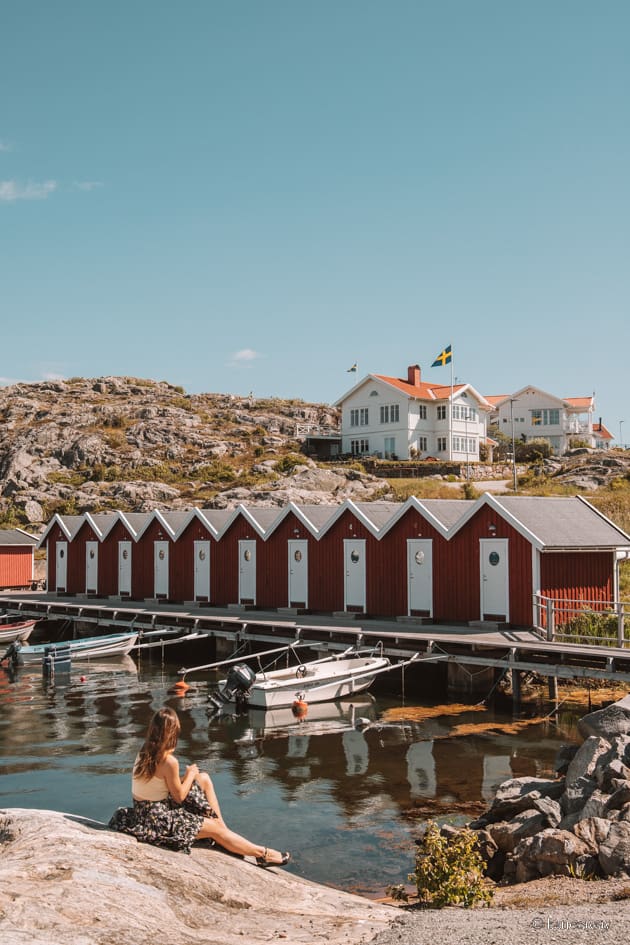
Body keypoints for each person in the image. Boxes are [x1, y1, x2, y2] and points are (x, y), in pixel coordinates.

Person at [109, 706, 290, 866]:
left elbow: (161, 783)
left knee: (203, 778)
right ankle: (262, 854)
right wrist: (189, 775)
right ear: (171, 734)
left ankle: (224, 832)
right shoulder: (168, 761)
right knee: (214, 827)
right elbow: (179, 797)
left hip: (144, 812)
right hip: (158, 821)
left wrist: (194, 777)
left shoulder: (146, 749)